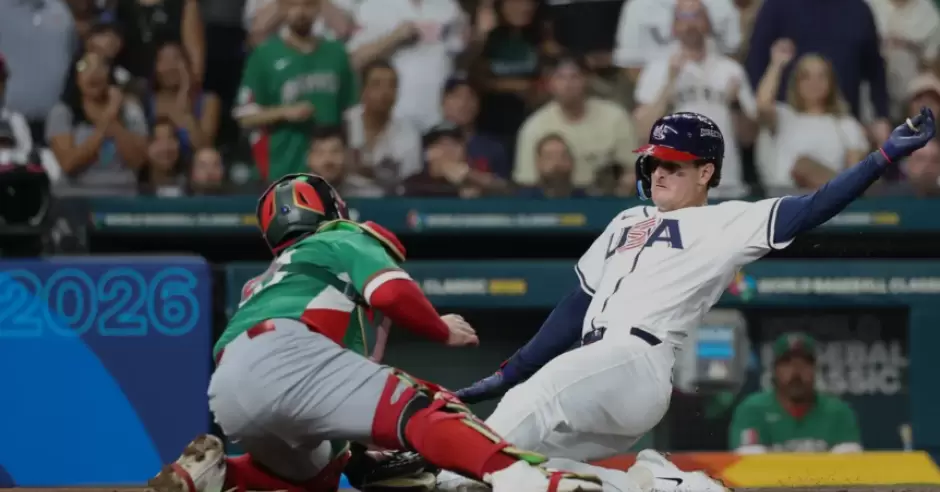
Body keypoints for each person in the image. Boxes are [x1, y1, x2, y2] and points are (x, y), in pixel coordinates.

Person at [441, 108, 935, 488]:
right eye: (654, 162)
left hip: (637, 358)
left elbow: (813, 207)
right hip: (597, 371)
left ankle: (446, 471)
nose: (659, 172)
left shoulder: (725, 222)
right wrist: (510, 370)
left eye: (674, 165)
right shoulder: (625, 220)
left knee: (536, 397)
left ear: (705, 173)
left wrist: (882, 157)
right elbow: (576, 307)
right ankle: (669, 485)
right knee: (532, 469)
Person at [147, 173, 604, 492]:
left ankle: (210, 477)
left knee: (317, 476)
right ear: (329, 208)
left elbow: (325, 385)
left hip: (229, 385)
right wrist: (439, 329)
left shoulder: (260, 282)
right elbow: (390, 292)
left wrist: (361, 447)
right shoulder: (340, 235)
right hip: (289, 353)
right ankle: (530, 482)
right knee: (427, 407)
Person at [234, 0, 357, 181]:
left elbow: (351, 111)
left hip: (331, 172)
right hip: (283, 166)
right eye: (293, 4)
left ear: (318, 7)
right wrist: (284, 112)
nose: (300, 11)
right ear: (282, 7)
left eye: (308, 4)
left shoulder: (337, 53)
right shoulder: (264, 55)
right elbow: (244, 115)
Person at [729, 332, 862, 453]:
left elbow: (848, 465)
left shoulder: (838, 412)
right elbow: (749, 463)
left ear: (815, 370)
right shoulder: (752, 410)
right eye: (787, 363)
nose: (796, 372)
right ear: (774, 371)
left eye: (805, 364)